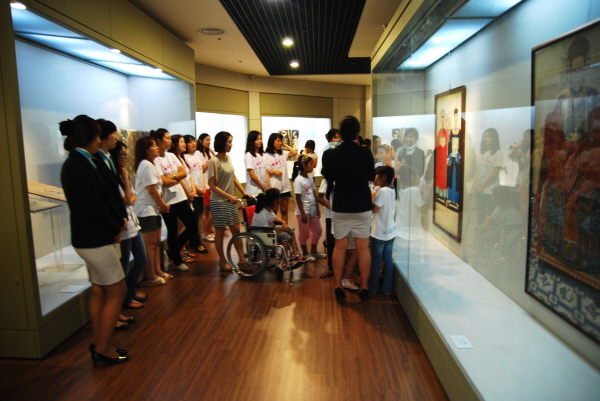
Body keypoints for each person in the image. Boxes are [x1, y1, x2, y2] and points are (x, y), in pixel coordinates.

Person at [59, 115, 129, 366]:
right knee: (117, 291)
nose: (100, 140)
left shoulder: (81, 161)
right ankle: (103, 348)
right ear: (90, 137)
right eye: (98, 135)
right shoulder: (79, 164)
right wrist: (114, 226)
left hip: (91, 236)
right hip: (93, 238)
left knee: (100, 290)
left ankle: (100, 340)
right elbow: (95, 205)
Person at [322, 115, 375, 301]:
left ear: (340, 133)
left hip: (341, 205)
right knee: (362, 247)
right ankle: (365, 286)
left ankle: (338, 285)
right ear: (357, 132)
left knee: (340, 246)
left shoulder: (332, 154)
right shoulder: (365, 152)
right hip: (362, 205)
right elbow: (371, 176)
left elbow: (328, 176)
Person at [151, 129, 207, 273]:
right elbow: (163, 181)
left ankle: (173, 251)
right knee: (173, 230)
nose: (170, 141)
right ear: (159, 140)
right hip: (167, 200)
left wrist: (172, 177)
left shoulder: (171, 156)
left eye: (170, 138)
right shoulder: (155, 159)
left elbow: (183, 173)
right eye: (167, 138)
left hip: (180, 197)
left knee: (192, 226)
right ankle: (177, 260)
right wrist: (175, 177)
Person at [108, 141, 146, 311]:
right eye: (123, 154)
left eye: (126, 153)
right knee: (123, 266)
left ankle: (130, 292)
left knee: (141, 259)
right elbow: (129, 199)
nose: (126, 157)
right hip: (123, 227)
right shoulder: (114, 176)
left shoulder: (125, 175)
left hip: (133, 223)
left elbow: (132, 197)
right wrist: (124, 177)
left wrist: (126, 179)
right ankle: (125, 298)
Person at [208, 131, 252, 271]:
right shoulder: (214, 161)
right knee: (220, 231)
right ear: (222, 143)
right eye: (229, 142)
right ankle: (222, 260)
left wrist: (243, 192)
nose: (231, 145)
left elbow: (233, 177)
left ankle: (242, 259)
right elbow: (212, 185)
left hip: (230, 200)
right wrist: (229, 196)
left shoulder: (228, 158)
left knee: (236, 230)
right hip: (219, 201)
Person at [134, 136, 170, 286]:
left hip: (153, 208)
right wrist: (162, 204)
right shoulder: (146, 165)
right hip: (146, 209)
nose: (156, 148)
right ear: (146, 150)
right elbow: (151, 189)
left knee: (155, 242)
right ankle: (151, 276)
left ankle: (158, 271)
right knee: (149, 245)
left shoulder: (151, 164)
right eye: (153, 145)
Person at [252, 188, 310, 279]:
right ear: (275, 201)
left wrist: (283, 222)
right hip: (261, 235)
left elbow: (274, 218)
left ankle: (296, 256)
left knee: (290, 231)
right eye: (279, 198)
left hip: (267, 232)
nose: (280, 199)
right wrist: (280, 231)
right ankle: (284, 263)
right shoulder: (262, 214)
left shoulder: (268, 210)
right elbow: (266, 230)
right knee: (285, 236)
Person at [369, 166, 397, 295]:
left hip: (379, 232)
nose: (374, 179)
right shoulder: (392, 189)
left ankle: (373, 288)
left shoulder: (383, 191)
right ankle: (387, 288)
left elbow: (375, 209)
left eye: (376, 176)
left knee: (376, 261)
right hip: (390, 231)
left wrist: (371, 199)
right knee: (388, 260)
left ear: (383, 177)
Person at [292, 154, 324, 261]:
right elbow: (298, 198)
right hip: (304, 211)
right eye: (310, 164)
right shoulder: (298, 180)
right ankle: (305, 254)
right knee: (304, 233)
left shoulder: (310, 178)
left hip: (312, 209)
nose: (312, 166)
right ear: (304, 165)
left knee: (318, 231)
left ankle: (313, 251)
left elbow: (313, 193)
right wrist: (302, 213)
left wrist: (317, 208)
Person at [265, 132, 298, 223]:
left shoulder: (283, 153)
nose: (280, 143)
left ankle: (285, 228)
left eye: (281, 141)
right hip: (274, 187)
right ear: (272, 141)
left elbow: (294, 152)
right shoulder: (266, 155)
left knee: (284, 210)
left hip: (285, 187)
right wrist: (273, 171)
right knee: (273, 212)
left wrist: (284, 144)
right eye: (278, 141)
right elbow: (264, 172)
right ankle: (273, 229)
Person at [473, 128, 503, 226]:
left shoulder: (497, 153)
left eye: (489, 137)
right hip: (479, 190)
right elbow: (477, 169)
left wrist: (483, 185)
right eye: (485, 136)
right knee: (480, 213)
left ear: (494, 138)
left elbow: (495, 172)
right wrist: (475, 184)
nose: (486, 139)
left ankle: (489, 233)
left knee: (491, 214)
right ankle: (479, 231)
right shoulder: (480, 153)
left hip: (491, 190)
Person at [183, 135, 206, 237]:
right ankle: (193, 239)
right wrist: (196, 189)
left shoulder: (196, 156)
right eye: (190, 142)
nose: (193, 144)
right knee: (194, 216)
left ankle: (198, 237)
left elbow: (201, 172)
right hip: (193, 191)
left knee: (200, 214)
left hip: (201, 190)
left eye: (194, 141)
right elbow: (189, 176)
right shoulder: (185, 158)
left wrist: (203, 187)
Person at [196, 133, 215, 242]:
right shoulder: (198, 153)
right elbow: (201, 169)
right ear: (200, 141)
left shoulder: (208, 153)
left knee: (210, 210)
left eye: (209, 140)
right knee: (206, 210)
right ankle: (205, 232)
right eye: (207, 140)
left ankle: (207, 230)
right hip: (205, 185)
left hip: (211, 184)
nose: (209, 142)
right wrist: (210, 162)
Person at [244, 130, 268, 205]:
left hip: (263, 190)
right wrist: (263, 187)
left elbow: (267, 172)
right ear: (252, 141)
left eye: (260, 139)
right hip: (253, 191)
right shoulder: (249, 155)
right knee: (254, 211)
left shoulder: (264, 155)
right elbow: (252, 175)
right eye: (257, 139)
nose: (260, 141)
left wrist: (266, 188)